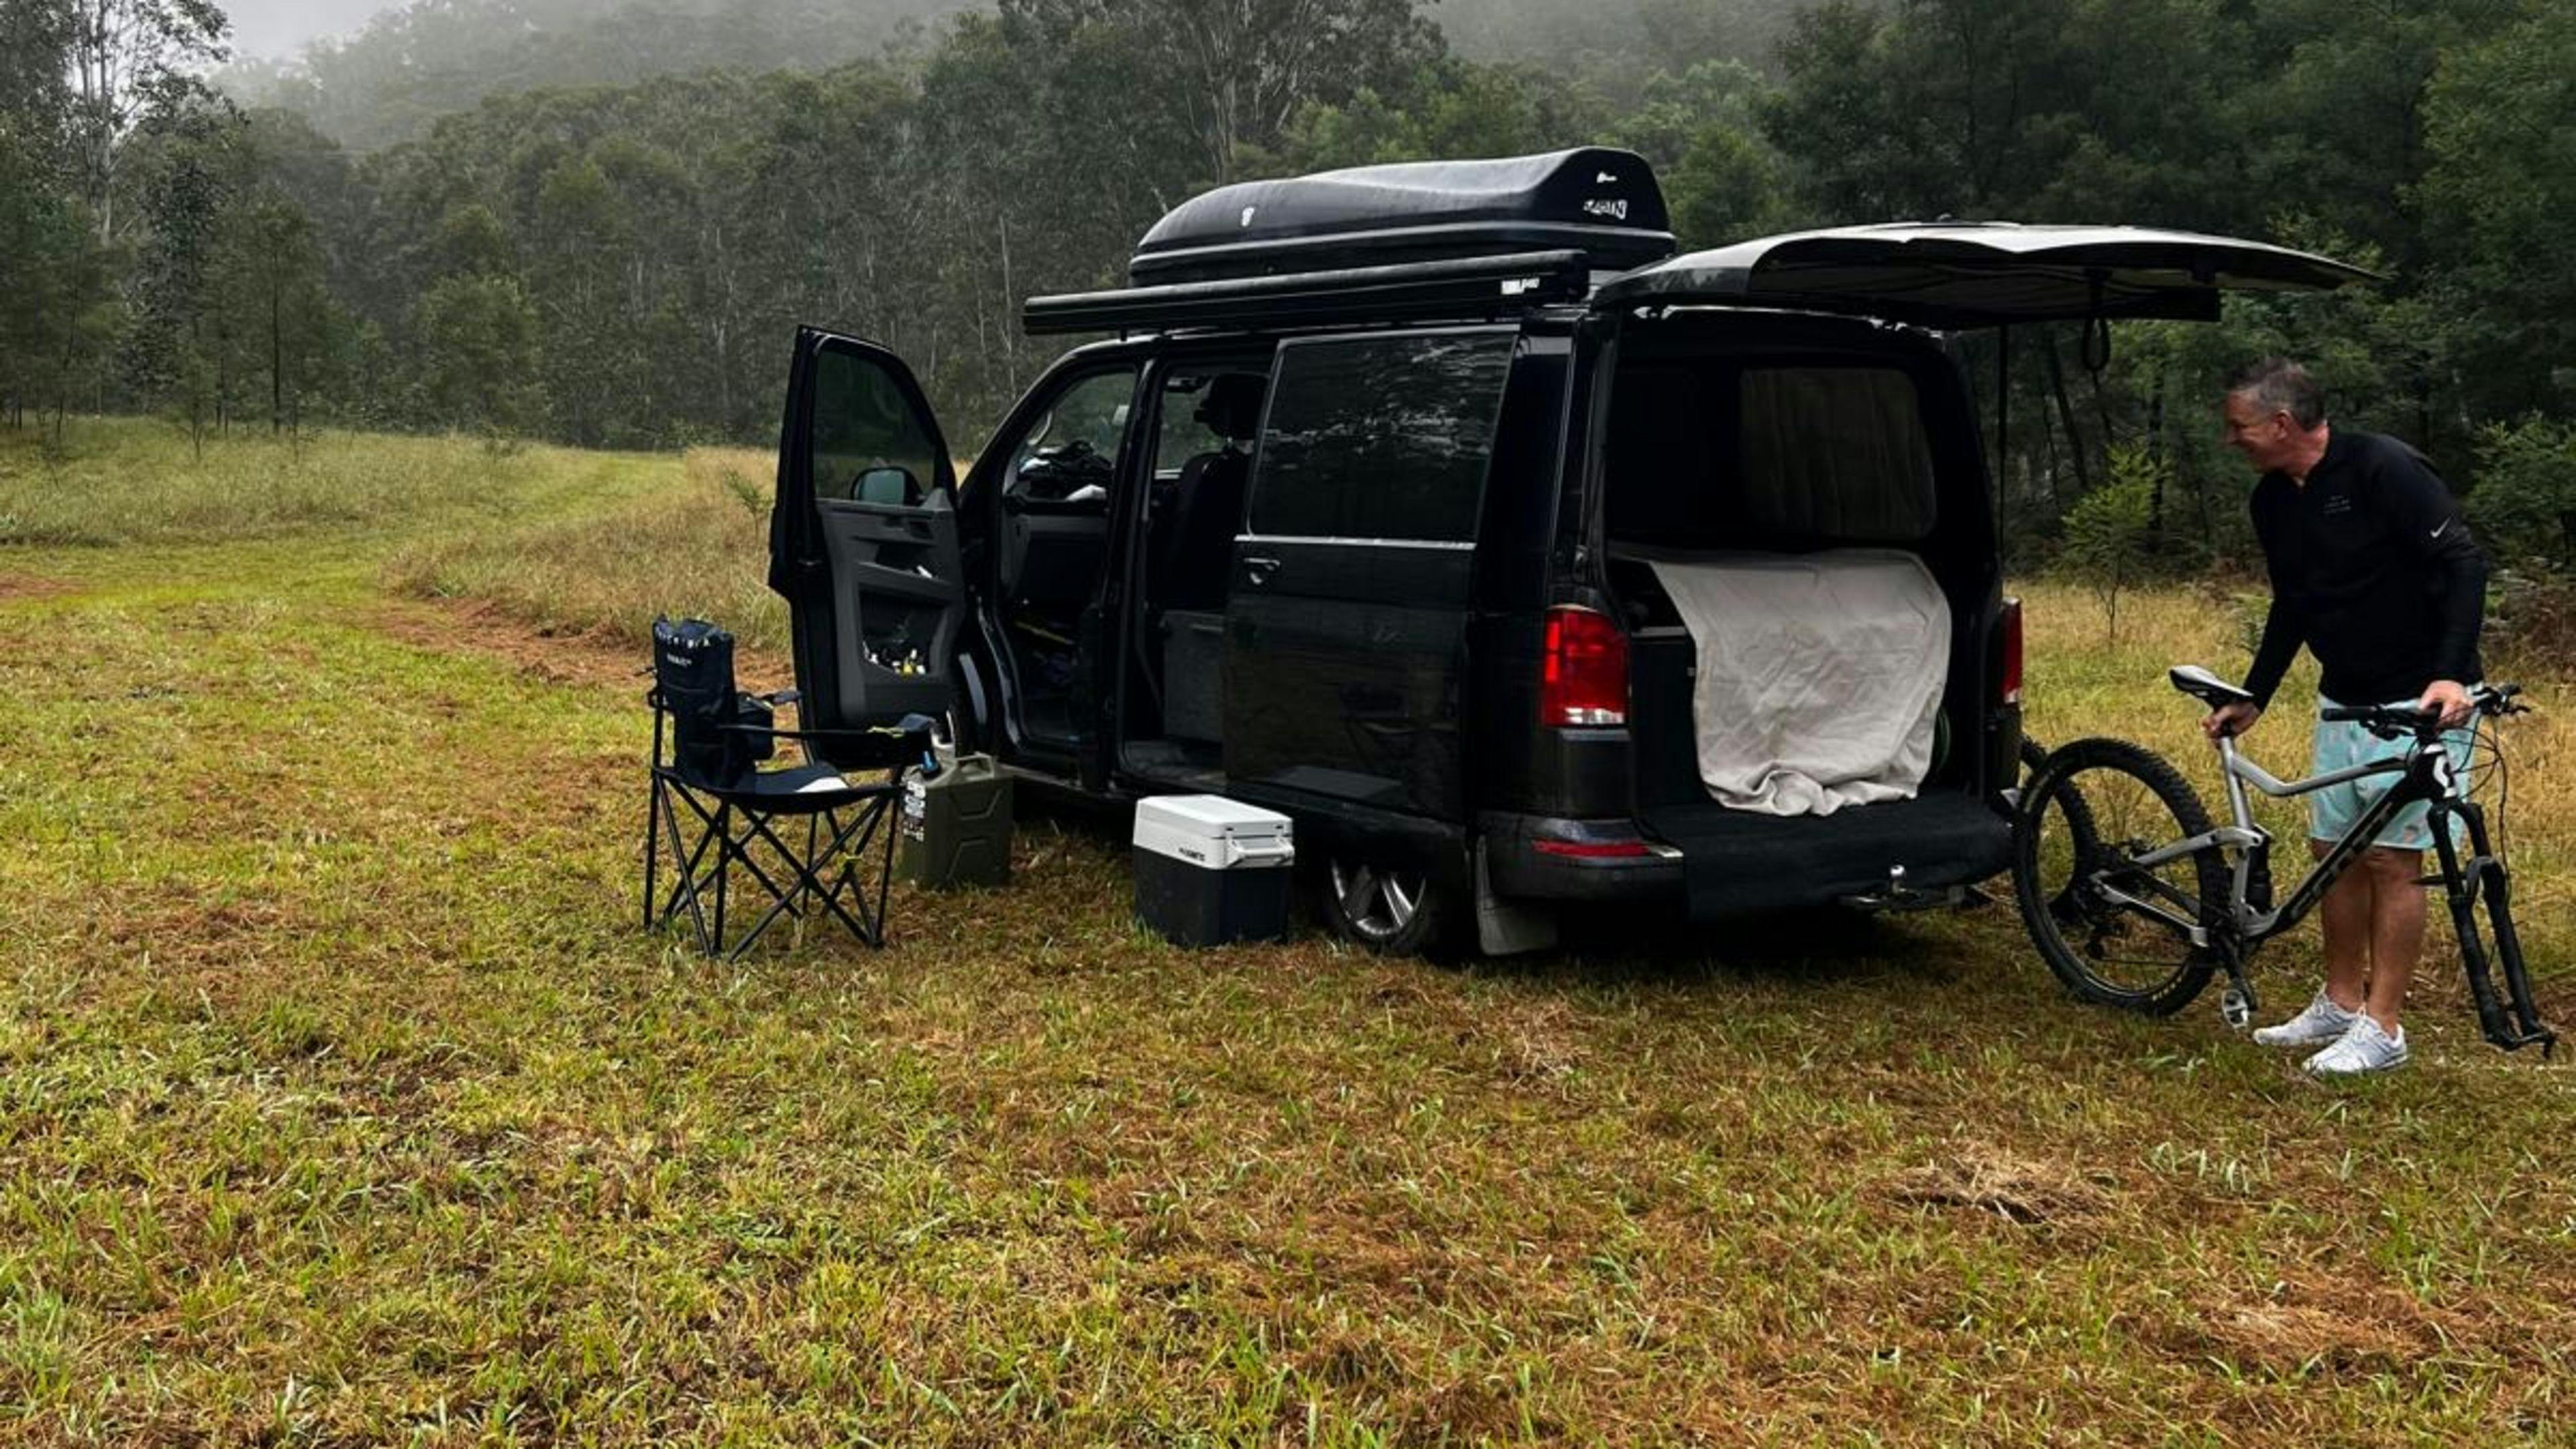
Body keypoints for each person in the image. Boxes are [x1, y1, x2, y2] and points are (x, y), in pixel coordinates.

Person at [2200, 358, 2488, 1076]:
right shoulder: (2273, 500)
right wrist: (2255, 693)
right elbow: (2292, 602)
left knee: (2395, 861)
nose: (2232, 440)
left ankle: (2383, 1027)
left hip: (2423, 701)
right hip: (2344, 695)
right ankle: (2339, 999)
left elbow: (2465, 564)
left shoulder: (2384, 469)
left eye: (2239, 427)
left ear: (2282, 424)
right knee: (2334, 854)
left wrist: (2450, 673)